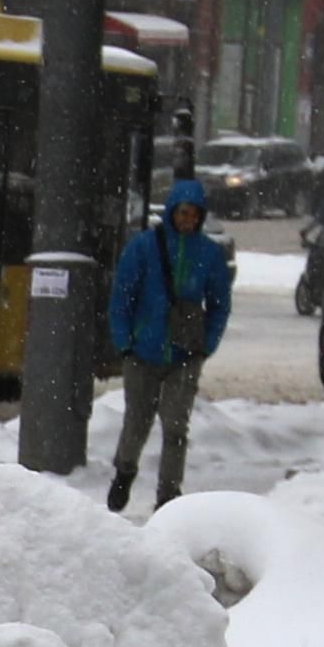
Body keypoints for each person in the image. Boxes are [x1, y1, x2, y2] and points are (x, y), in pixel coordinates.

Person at [98, 171, 232, 514]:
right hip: (142, 352)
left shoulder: (209, 254)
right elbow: (122, 297)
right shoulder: (144, 247)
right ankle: (124, 471)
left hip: (185, 355)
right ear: (172, 211)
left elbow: (219, 303)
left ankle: (169, 495)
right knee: (137, 419)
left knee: (175, 425)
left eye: (194, 214)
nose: (187, 220)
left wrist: (206, 346)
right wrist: (125, 342)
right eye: (182, 212)